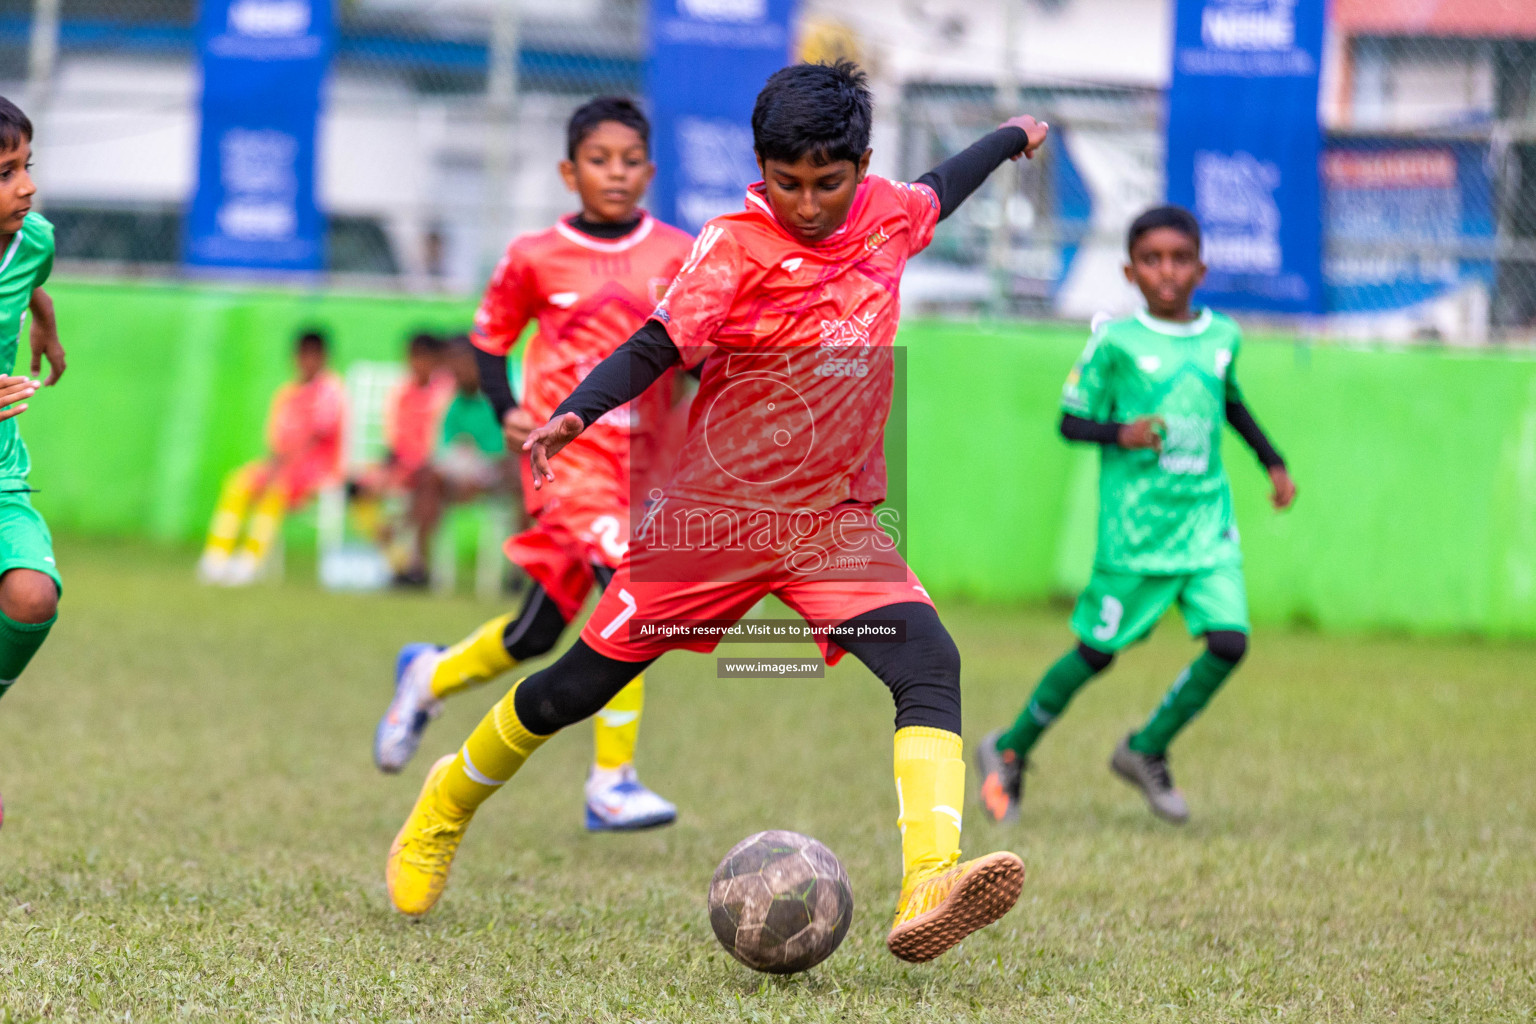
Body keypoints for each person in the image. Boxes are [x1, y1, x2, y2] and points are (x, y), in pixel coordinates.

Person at [383, 62, 1050, 965]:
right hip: (715, 521)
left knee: (929, 661)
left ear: (860, 165)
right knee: (570, 690)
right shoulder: (733, 243)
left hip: (828, 524)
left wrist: (1012, 138)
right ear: (759, 167)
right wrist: (578, 410)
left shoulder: (891, 214)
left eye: (828, 181)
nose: (807, 202)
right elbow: (660, 341)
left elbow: (943, 185)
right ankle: (446, 803)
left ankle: (930, 878)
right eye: (787, 183)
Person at [374, 97, 693, 831]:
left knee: (537, 634)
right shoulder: (533, 256)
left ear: (650, 169)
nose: (615, 174)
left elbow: (696, 353)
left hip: (643, 473)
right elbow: (489, 341)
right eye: (597, 160)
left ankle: (428, 676)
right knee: (633, 588)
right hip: (567, 465)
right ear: (567, 170)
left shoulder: (680, 254)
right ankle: (612, 781)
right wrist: (505, 407)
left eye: (629, 161)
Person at [975, 205, 1298, 826]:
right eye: (1152, 260)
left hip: (1207, 526)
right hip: (1135, 536)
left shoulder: (1222, 336)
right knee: (1095, 654)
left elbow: (1231, 404)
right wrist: (1120, 432)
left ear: (1201, 268)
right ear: (1130, 271)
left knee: (1230, 643)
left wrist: (1273, 463)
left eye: (1179, 259)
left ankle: (1146, 748)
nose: (1167, 271)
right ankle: (1009, 748)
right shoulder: (1116, 342)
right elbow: (1069, 422)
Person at [0, 97, 66, 717]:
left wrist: (43, 322)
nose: (28, 186)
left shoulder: (31, 240)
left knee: (32, 595)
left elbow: (30, 280)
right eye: (5, 173)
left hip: (1, 481)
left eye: (27, 165)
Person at [198, 329, 347, 586]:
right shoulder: (287, 394)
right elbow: (277, 442)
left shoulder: (330, 390)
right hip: (282, 465)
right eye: (303, 355)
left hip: (316, 469)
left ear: (324, 357)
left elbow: (317, 437)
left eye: (314, 355)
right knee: (239, 482)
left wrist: (282, 467)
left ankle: (249, 562)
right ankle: (216, 557)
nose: (307, 361)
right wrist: (273, 466)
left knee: (275, 490)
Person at [391, 335, 515, 587]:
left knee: (522, 475)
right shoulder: (452, 404)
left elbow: (503, 451)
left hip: (494, 473)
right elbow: (444, 450)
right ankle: (418, 566)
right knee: (427, 481)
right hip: (457, 474)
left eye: (463, 364)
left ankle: (518, 572)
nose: (458, 372)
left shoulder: (497, 399)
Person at [347, 332, 452, 575]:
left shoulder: (444, 392)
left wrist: (413, 465)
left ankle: (412, 562)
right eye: (412, 357)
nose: (416, 364)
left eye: (422, 358)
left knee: (422, 487)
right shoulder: (401, 392)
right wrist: (386, 470)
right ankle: (397, 559)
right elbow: (393, 440)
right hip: (401, 465)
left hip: (428, 468)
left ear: (435, 360)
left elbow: (439, 443)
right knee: (356, 488)